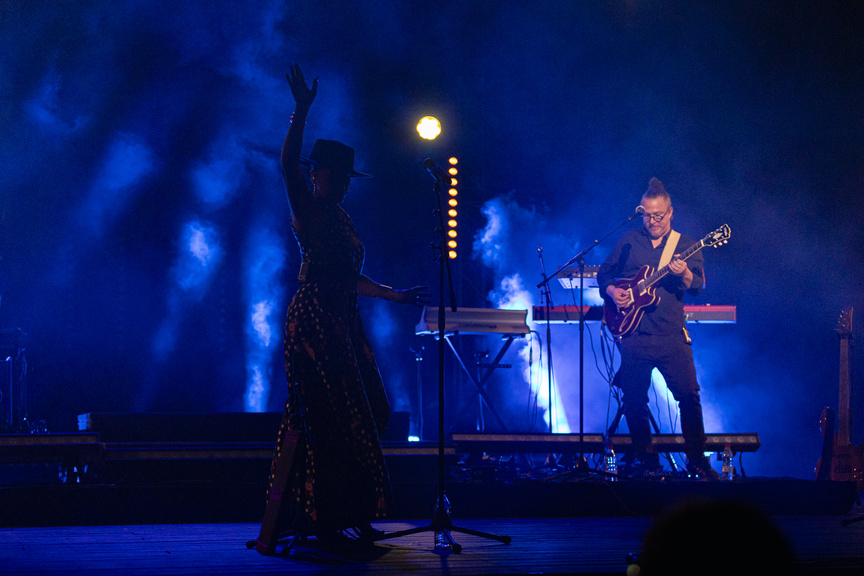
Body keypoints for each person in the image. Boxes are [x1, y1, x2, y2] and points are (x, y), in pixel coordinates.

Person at [266, 64, 430, 541]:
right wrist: (301, 110)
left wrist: (392, 295)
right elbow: (284, 164)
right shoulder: (309, 211)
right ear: (316, 175)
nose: (341, 185)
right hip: (315, 320)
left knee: (370, 409)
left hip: (342, 320)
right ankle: (328, 518)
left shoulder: (341, 218)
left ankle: (351, 510)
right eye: (334, 176)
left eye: (345, 179)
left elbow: (350, 277)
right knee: (328, 415)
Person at [597, 177, 718, 480]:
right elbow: (604, 275)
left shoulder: (686, 245)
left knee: (689, 396)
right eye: (646, 215)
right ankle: (648, 461)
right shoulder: (628, 241)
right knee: (634, 401)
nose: (651, 221)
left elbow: (697, 287)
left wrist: (685, 272)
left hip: (670, 337)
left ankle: (697, 461)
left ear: (671, 212)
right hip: (634, 336)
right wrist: (614, 293)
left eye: (658, 216)